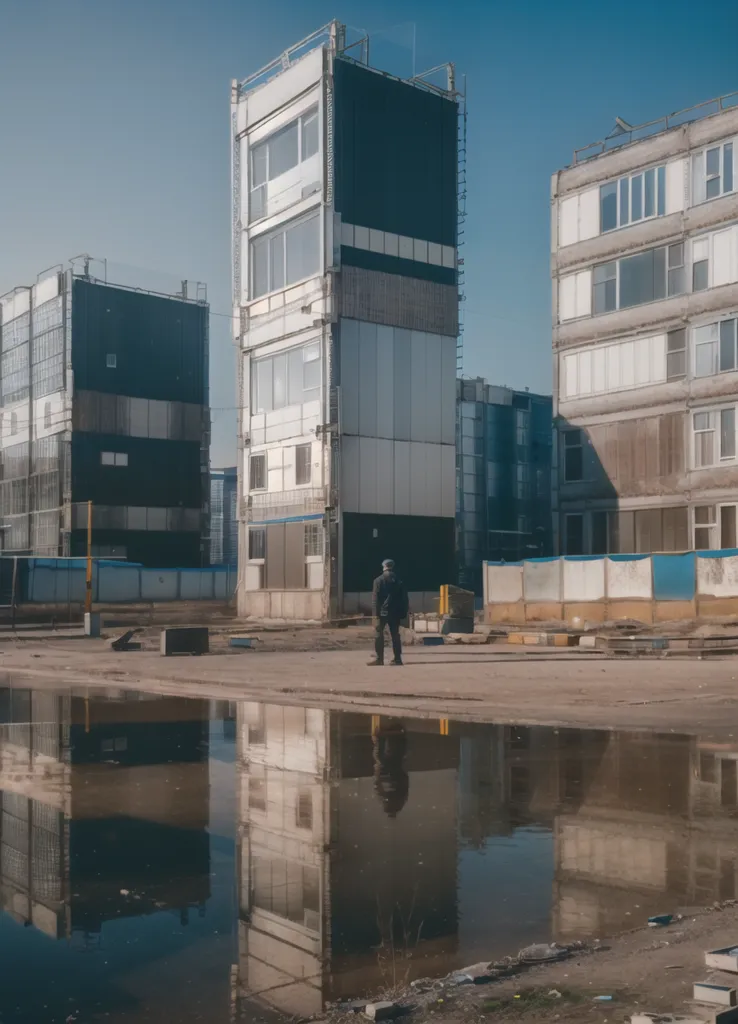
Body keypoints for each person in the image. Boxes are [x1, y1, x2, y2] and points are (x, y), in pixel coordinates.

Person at [368, 558, 408, 666]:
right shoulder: (399, 580)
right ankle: (398, 659)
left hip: (382, 612)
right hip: (395, 613)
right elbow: (404, 598)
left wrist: (375, 614)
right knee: (395, 635)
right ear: (392, 567)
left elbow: (375, 599)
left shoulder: (378, 580)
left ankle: (379, 659)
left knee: (378, 634)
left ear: (384, 567)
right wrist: (404, 612)